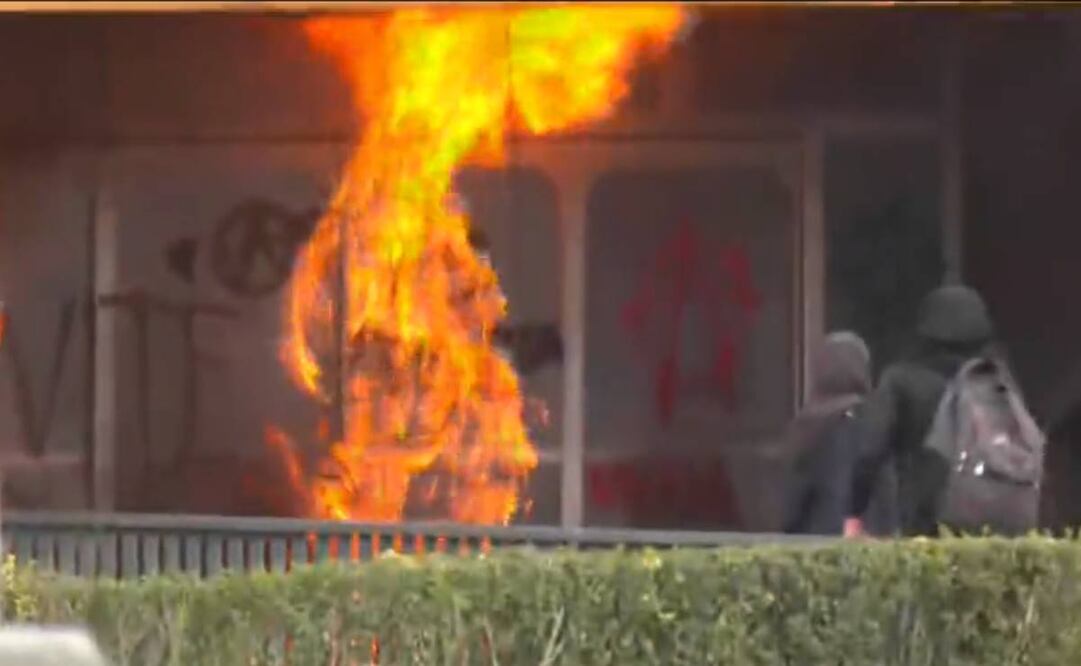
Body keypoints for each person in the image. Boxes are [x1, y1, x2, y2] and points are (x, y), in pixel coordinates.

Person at [845, 284, 1000, 538]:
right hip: (990, 520)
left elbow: (869, 451)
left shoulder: (902, 380)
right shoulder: (997, 383)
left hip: (925, 519)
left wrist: (854, 509)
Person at [782, 331, 873, 535]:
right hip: (864, 540)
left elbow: (792, 500)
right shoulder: (870, 418)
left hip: (812, 538)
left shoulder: (807, 423)